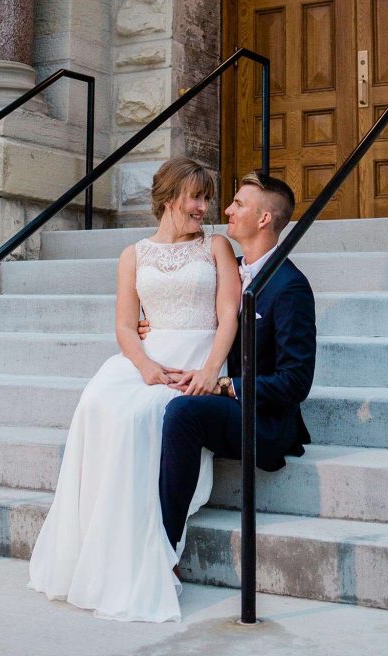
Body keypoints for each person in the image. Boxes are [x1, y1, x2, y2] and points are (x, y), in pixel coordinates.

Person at [28, 157, 241, 622]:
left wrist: (210, 371)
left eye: (207, 198)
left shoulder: (216, 247)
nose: (203, 207)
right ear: (168, 198)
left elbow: (229, 314)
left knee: (143, 416)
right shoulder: (133, 255)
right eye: (195, 196)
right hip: (147, 359)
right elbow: (126, 326)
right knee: (96, 403)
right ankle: (98, 547)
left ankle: (157, 547)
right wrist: (145, 366)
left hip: (196, 357)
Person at [141, 171, 316, 561]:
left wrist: (224, 384)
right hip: (217, 393)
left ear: (264, 219)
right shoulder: (225, 268)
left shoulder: (290, 287)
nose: (226, 210)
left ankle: (163, 552)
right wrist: (151, 325)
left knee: (183, 413)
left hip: (262, 418)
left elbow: (295, 381)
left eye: (238, 204)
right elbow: (191, 311)